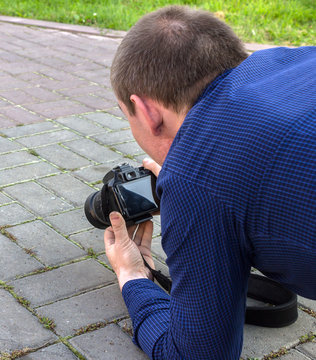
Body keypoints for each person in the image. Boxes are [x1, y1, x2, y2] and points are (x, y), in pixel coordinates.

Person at [103, 5, 315, 359]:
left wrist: (133, 276)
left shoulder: (195, 181)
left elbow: (197, 354)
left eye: (127, 116)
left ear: (147, 111)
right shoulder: (289, 60)